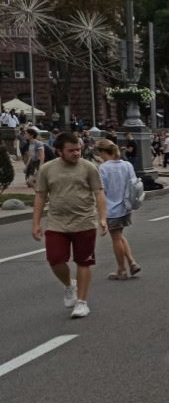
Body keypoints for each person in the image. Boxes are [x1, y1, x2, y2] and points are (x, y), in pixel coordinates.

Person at [31, 131, 108, 319]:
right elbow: (40, 195)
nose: (76, 153)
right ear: (59, 151)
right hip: (57, 222)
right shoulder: (47, 169)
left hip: (84, 221)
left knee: (83, 261)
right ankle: (69, 285)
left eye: (78, 149)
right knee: (55, 259)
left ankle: (82, 302)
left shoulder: (89, 167)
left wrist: (103, 218)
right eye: (71, 150)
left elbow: (98, 193)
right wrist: (36, 223)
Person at [94, 139, 141, 280]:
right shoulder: (127, 165)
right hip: (126, 206)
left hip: (112, 208)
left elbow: (102, 190)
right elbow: (134, 184)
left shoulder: (103, 168)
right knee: (120, 236)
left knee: (116, 238)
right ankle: (132, 262)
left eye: (100, 153)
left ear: (103, 152)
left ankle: (122, 269)